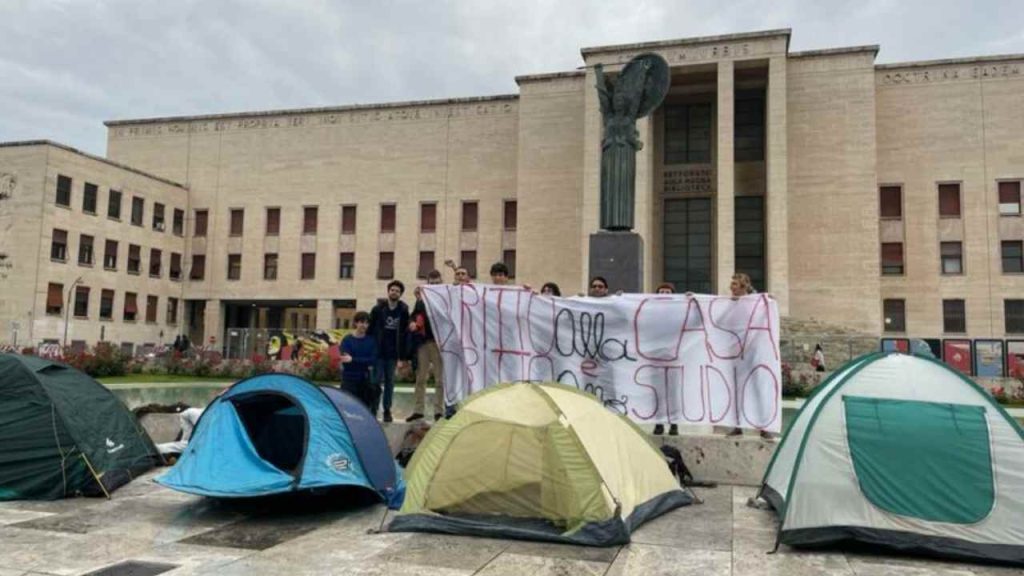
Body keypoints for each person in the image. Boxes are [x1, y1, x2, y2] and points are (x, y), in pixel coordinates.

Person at [369, 280, 411, 422]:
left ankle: (387, 410)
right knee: (375, 383)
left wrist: (403, 357)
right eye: (392, 290)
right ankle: (373, 409)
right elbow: (370, 331)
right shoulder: (378, 309)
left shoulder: (403, 311)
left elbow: (405, 334)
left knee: (390, 383)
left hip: (393, 354)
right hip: (378, 353)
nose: (394, 292)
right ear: (388, 292)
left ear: (400, 294)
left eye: (397, 291)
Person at [407, 270, 445, 422]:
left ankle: (438, 411)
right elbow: (414, 314)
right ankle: (418, 410)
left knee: (440, 379)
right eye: (432, 282)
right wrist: (411, 322)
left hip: (438, 343)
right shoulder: (421, 299)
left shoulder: (444, 298)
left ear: (441, 282)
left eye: (437, 282)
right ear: (428, 283)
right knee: (420, 378)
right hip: (423, 343)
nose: (434, 285)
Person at [340, 311, 379, 411]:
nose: (364, 325)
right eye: (362, 322)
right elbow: (346, 361)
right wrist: (362, 361)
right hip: (348, 380)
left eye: (367, 323)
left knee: (364, 410)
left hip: (364, 381)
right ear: (356, 323)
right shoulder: (347, 340)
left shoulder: (371, 341)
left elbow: (373, 360)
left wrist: (353, 359)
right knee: (347, 410)